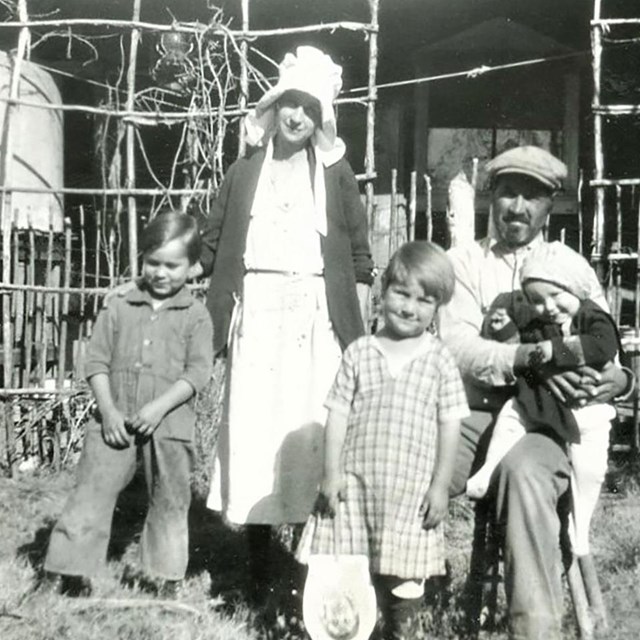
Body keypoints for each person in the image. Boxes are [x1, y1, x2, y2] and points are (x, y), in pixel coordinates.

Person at [197, 46, 373, 597]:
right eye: (290, 104)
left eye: (309, 108)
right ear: (274, 107)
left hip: (316, 317)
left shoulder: (335, 173)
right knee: (255, 431)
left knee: (308, 434)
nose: (297, 116)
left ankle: (307, 563)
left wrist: (355, 321)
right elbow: (211, 241)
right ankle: (256, 564)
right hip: (259, 309)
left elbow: (361, 256)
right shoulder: (246, 169)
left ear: (323, 117)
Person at [438, 145, 632, 639]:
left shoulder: (571, 267)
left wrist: (623, 381)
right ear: (491, 199)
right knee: (407, 457)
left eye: (532, 197)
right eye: (508, 194)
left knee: (525, 475)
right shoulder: (461, 264)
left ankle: (536, 630)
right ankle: (397, 604)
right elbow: (459, 347)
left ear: (550, 206)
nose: (518, 208)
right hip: (472, 412)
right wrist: (533, 363)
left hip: (544, 423)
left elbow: (604, 345)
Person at [299, 242, 468, 640]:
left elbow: (450, 426)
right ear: (383, 291)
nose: (410, 308)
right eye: (401, 294)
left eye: (424, 301)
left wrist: (440, 485)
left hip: (411, 494)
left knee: (404, 578)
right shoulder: (360, 352)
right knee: (348, 571)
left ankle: (400, 630)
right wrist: (331, 472)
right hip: (356, 489)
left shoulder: (439, 360)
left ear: (437, 307)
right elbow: (337, 414)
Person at [43, 211, 213, 598]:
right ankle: (64, 571)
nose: (161, 272)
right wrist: (108, 411)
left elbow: (198, 372)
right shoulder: (118, 306)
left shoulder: (196, 316)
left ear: (191, 268)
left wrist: (158, 409)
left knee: (170, 499)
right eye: (153, 262)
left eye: (173, 265)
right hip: (114, 420)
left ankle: (165, 579)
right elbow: (96, 362)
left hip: (168, 426)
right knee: (91, 490)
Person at [465, 241, 621, 559]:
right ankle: (487, 469)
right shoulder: (543, 323)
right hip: (547, 405)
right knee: (512, 415)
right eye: (537, 300)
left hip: (587, 408)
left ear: (575, 288)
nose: (548, 307)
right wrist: (506, 327)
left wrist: (556, 351)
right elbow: (524, 345)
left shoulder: (593, 316)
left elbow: (603, 346)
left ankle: (581, 526)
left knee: (589, 468)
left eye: (556, 296)